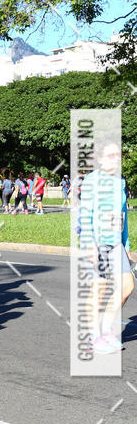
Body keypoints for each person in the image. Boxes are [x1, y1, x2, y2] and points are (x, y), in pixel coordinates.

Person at [79, 141, 135, 353]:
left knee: (128, 285)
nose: (116, 158)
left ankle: (105, 328)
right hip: (98, 242)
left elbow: (123, 216)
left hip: (116, 243)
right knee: (100, 289)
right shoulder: (93, 181)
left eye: (118, 155)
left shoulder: (119, 181)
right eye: (110, 155)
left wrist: (126, 244)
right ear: (100, 159)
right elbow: (85, 216)